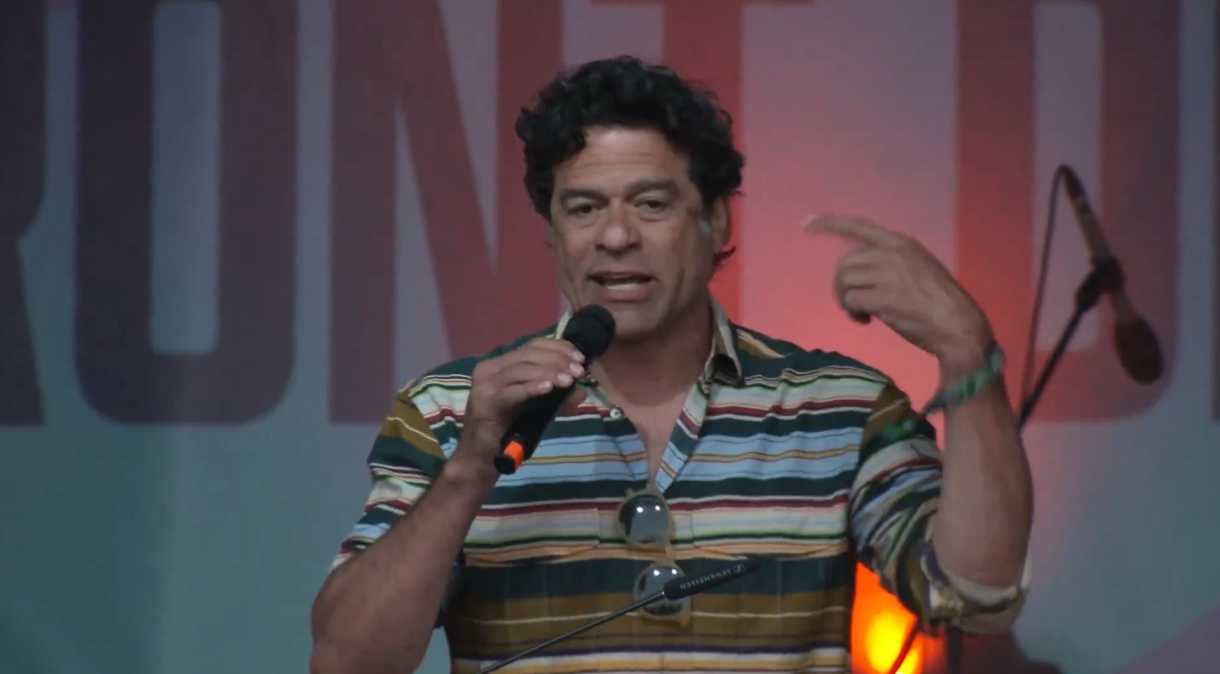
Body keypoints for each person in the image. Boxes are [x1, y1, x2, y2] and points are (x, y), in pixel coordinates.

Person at [309, 55, 1033, 674]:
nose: (615, 236)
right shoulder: (449, 409)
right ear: (552, 231)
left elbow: (975, 595)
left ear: (716, 220)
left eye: (651, 204)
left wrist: (967, 354)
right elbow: (347, 662)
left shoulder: (838, 408)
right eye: (583, 208)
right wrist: (470, 467)